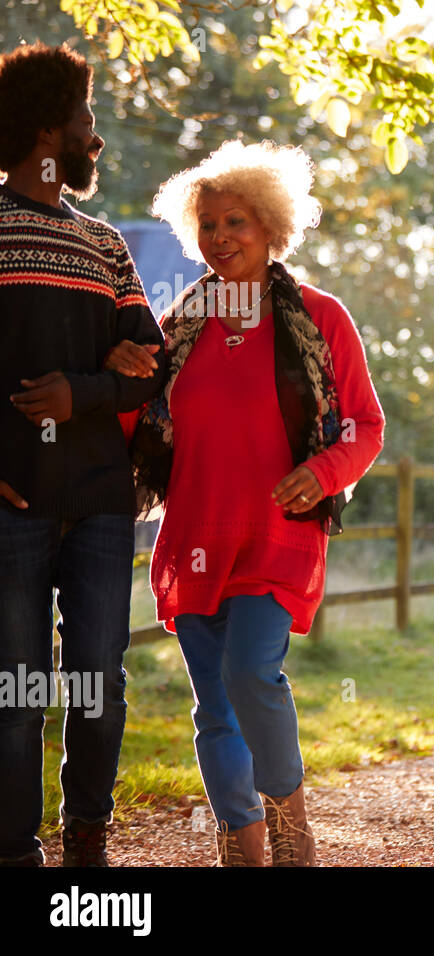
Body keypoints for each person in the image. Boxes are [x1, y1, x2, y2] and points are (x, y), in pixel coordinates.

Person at [119, 139, 384, 865]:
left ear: (272, 227)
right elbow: (137, 422)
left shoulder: (321, 318)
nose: (221, 238)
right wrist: (119, 370)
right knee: (213, 705)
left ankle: (290, 827)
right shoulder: (182, 324)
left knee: (249, 673)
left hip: (277, 531)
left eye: (236, 222)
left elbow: (365, 423)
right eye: (207, 224)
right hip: (195, 534)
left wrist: (326, 471)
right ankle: (241, 840)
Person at [0, 42, 167, 867]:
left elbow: (150, 359)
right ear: (45, 128)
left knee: (98, 679)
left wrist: (85, 393)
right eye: (86, 119)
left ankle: (87, 840)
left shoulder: (106, 245)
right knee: (17, 690)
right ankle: (14, 847)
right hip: (13, 503)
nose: (94, 138)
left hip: (102, 502)